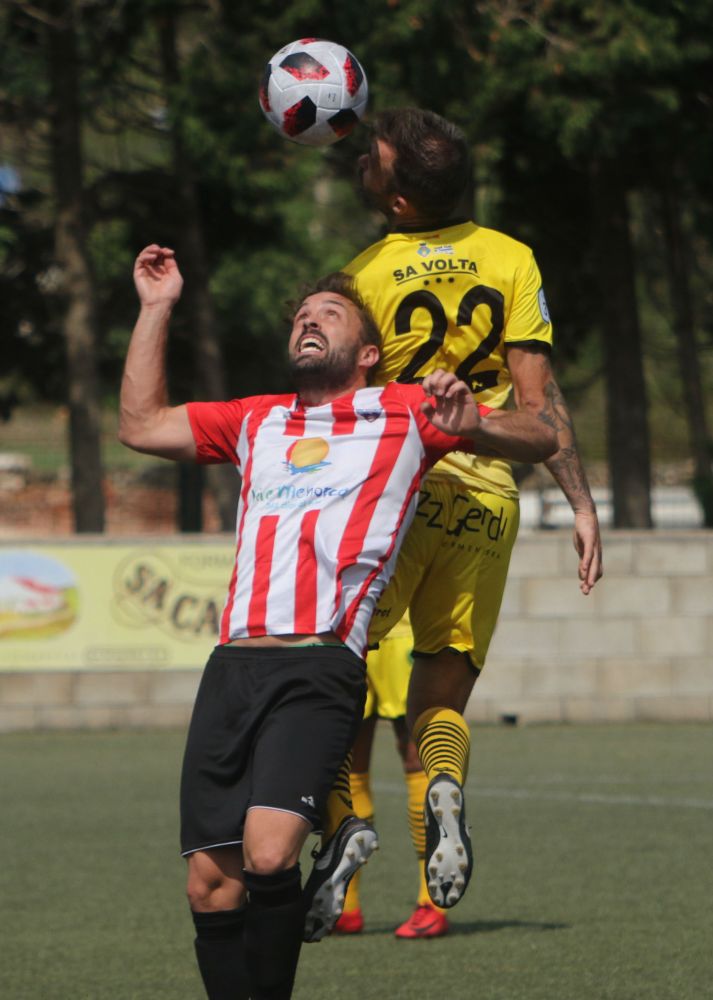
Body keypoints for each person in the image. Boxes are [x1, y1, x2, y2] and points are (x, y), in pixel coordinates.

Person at [118, 245, 557, 999]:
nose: (306, 322)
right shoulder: (256, 419)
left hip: (318, 667)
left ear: (366, 353)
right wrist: (156, 307)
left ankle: (334, 845)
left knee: (266, 854)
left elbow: (540, 434)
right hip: (231, 667)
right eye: (299, 316)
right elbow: (141, 425)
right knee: (207, 886)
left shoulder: (407, 410)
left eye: (327, 314)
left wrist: (474, 423)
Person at [307, 108, 603, 935]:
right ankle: (443, 790)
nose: (365, 161)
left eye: (375, 159)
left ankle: (341, 836)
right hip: (488, 498)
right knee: (440, 698)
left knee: (328, 676)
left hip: (397, 494)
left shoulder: (362, 275)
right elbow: (539, 405)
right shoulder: (512, 258)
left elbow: (333, 398)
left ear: (397, 201)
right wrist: (579, 502)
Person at [334, 614, 451, 939]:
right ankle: (345, 905)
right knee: (348, 762)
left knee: (416, 753)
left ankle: (433, 902)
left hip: (404, 630)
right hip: (348, 630)